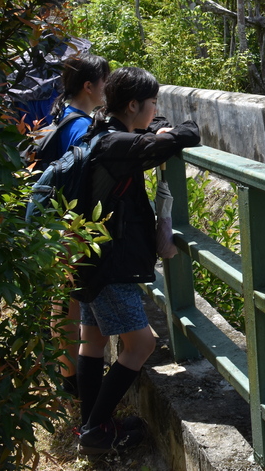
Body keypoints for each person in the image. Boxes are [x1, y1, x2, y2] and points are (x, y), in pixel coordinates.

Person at [73, 67, 200, 455]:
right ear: (132, 105)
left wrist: (153, 125)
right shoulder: (118, 146)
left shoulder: (101, 131)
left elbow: (157, 125)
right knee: (142, 343)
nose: (157, 109)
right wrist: (162, 133)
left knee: (93, 341)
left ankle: (89, 423)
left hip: (85, 254)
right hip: (109, 265)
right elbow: (189, 132)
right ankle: (95, 430)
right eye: (152, 101)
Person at [48, 52, 111, 399]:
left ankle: (67, 375)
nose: (107, 89)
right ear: (89, 86)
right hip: (74, 225)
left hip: (59, 222)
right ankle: (72, 379)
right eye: (105, 82)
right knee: (71, 304)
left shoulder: (62, 114)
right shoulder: (80, 127)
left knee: (65, 301)